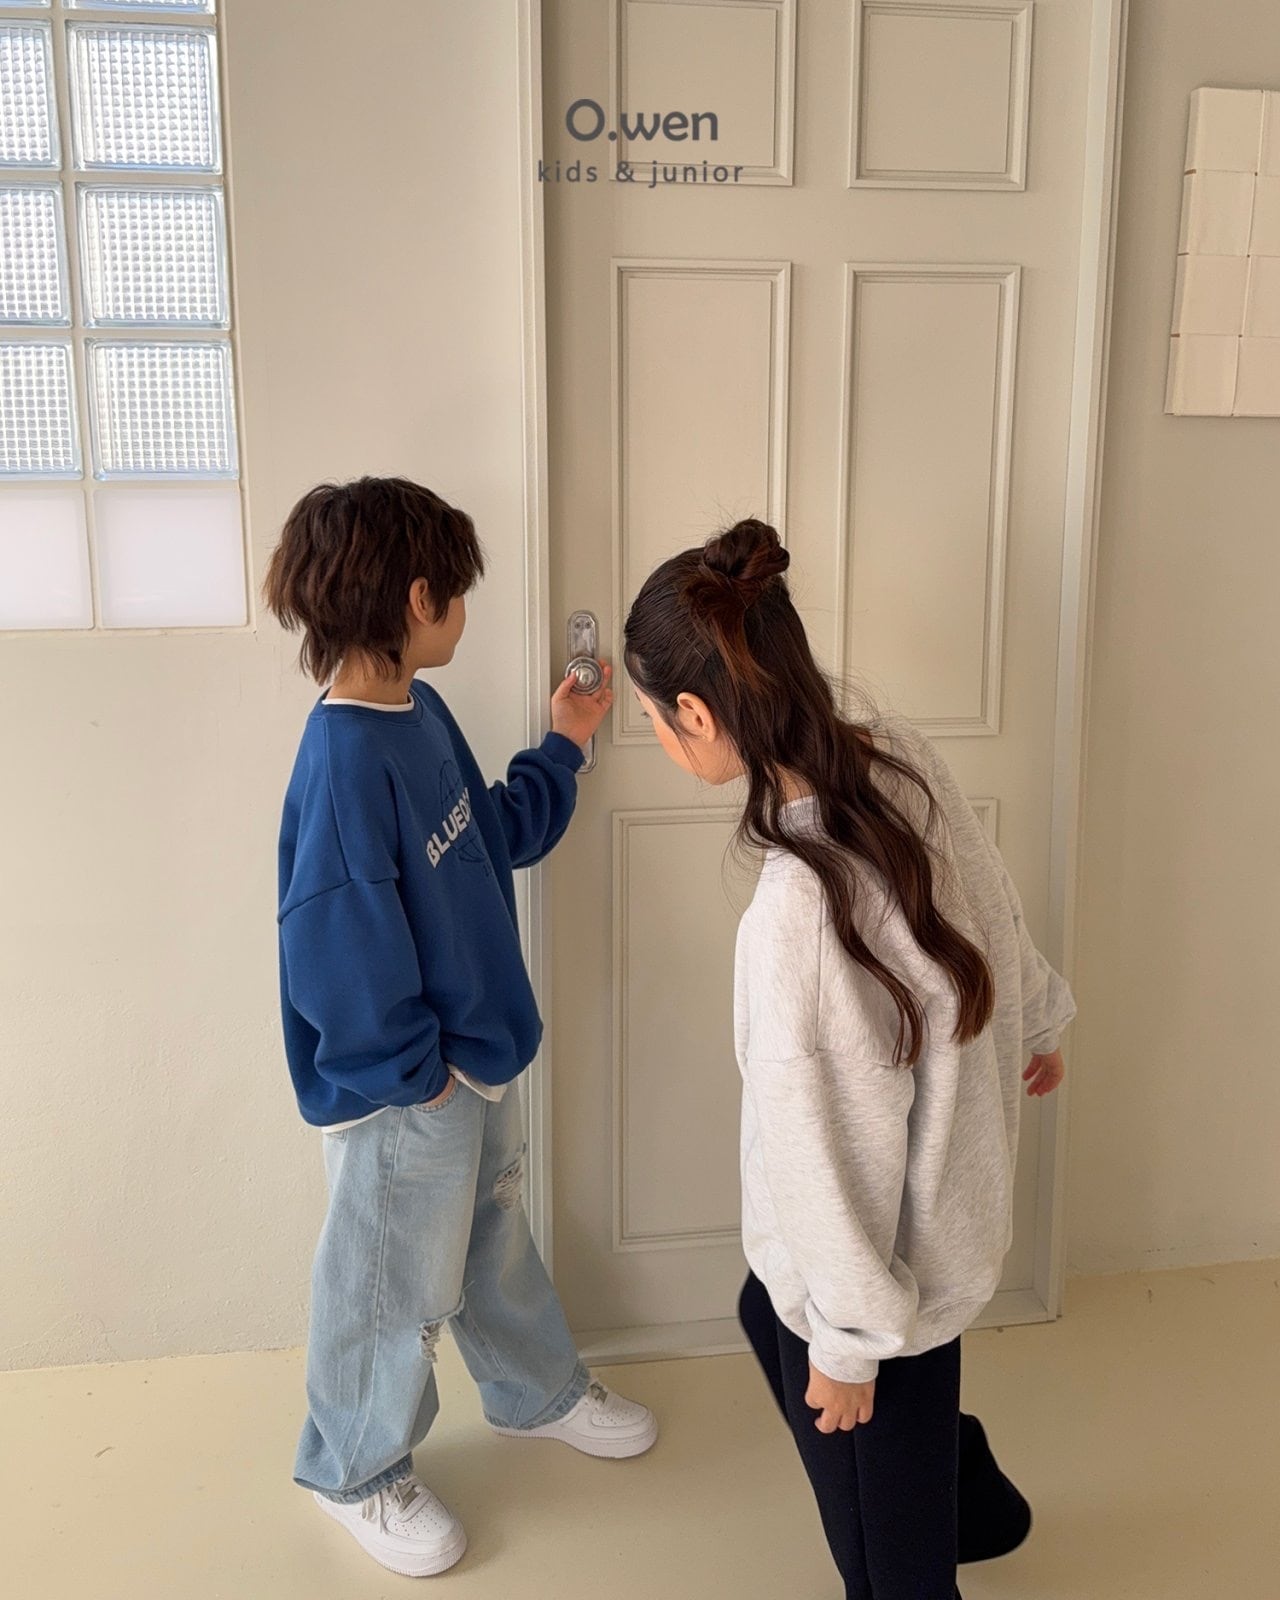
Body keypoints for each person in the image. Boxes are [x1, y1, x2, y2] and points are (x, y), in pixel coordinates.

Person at [622, 517, 1074, 1600]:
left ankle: (934, 1495)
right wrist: (1037, 1015)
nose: (656, 736)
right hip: (936, 1217)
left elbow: (832, 1158)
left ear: (696, 714)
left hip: (886, 1276)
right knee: (759, 1306)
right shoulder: (892, 753)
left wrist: (848, 1345)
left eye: (651, 719)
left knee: (889, 1574)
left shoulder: (795, 919)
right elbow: (990, 896)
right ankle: (969, 1495)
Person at [264, 476, 656, 1579]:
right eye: (458, 592)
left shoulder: (417, 714)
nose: (466, 612)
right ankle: (352, 1469)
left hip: (476, 1060)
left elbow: (485, 835)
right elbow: (332, 948)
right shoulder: (341, 762)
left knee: (492, 1236)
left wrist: (563, 744)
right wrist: (416, 1079)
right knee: (389, 1283)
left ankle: (534, 1393)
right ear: (417, 597)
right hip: (409, 1088)